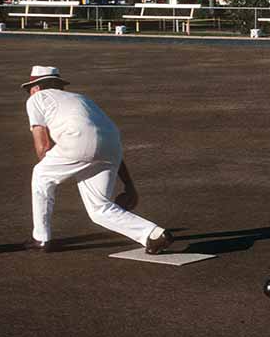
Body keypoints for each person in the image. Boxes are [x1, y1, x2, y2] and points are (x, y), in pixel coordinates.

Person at [21, 66, 173, 254]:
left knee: (41, 175)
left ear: (35, 87)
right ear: (59, 85)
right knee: (99, 209)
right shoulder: (82, 99)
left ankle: (41, 237)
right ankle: (154, 234)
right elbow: (104, 142)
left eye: (29, 90)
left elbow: (43, 145)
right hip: (111, 145)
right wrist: (129, 185)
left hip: (76, 142)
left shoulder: (36, 98)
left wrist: (56, 170)